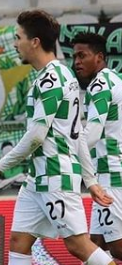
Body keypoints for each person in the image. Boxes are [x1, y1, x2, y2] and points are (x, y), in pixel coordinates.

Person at [0, 10, 115, 265]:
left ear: (34, 42)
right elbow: (77, 134)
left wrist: (1, 166)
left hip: (55, 176)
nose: (15, 43)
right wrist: (90, 180)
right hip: (37, 179)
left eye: (18, 37)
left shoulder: (52, 79)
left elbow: (36, 136)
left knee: (78, 245)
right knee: (18, 242)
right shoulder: (57, 76)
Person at [73, 32, 122, 260]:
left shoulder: (100, 85)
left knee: (117, 249)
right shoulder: (114, 80)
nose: (77, 62)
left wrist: (65, 152)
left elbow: (92, 132)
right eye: (74, 57)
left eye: (83, 56)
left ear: (99, 57)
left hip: (110, 176)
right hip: (105, 174)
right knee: (95, 245)